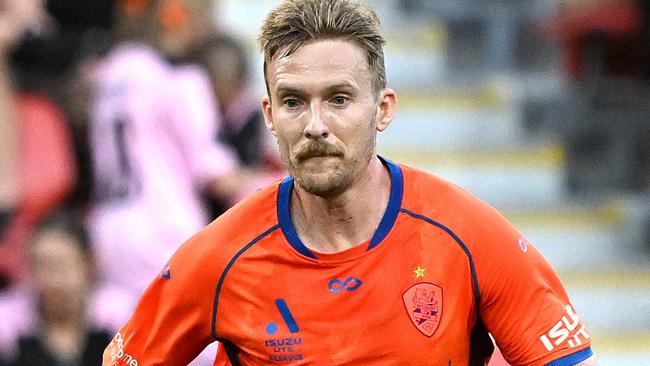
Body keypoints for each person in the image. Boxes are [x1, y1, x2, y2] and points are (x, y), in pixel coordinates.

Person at [103, 0, 598, 365]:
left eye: (339, 99)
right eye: (294, 102)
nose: (315, 125)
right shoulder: (220, 257)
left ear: (382, 110)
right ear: (270, 116)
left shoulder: (465, 235)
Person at [0, 211, 111, 366]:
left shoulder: (115, 325)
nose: (53, 281)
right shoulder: (8, 330)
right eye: (43, 266)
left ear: (89, 264)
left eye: (62, 267)